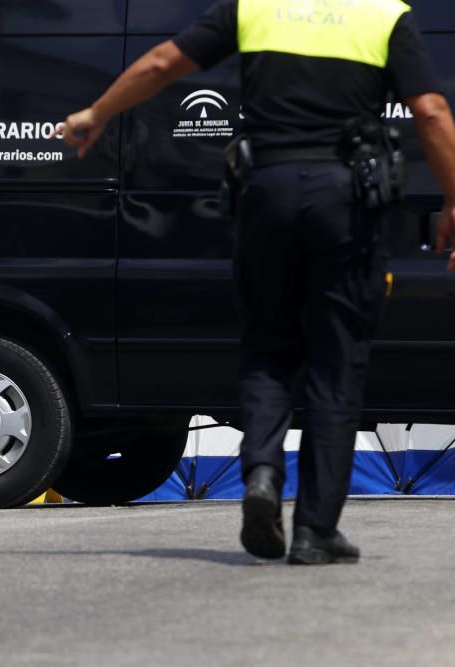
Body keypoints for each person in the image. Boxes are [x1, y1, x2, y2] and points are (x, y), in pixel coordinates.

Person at [60, 0, 455, 564]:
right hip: (342, 201)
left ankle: (263, 474)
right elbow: (433, 110)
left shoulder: (255, 8)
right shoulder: (384, 15)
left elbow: (159, 64)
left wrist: (96, 113)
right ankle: (316, 530)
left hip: (265, 193)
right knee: (335, 360)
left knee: (269, 349)